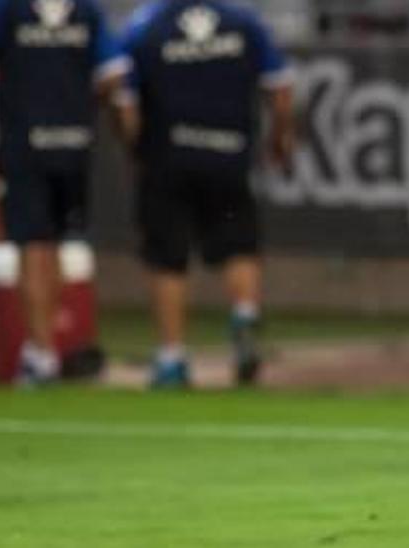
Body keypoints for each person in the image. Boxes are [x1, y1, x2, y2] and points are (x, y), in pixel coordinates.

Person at [0, 0, 128, 385]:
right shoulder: (87, 10)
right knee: (59, 245)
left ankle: (41, 353)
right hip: (75, 143)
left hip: (25, 144)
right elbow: (112, 78)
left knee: (32, 244)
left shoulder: (2, 7)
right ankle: (49, 345)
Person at [116, 0, 295, 389]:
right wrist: (280, 140)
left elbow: (124, 101)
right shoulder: (244, 22)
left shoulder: (146, 26)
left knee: (168, 258)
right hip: (229, 155)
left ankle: (172, 357)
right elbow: (280, 89)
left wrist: (133, 148)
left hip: (168, 158)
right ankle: (245, 314)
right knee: (238, 245)